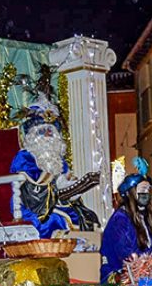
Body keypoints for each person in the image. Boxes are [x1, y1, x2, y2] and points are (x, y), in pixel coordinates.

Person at [9, 97, 99, 237]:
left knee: (87, 217)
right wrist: (54, 182)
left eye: (50, 132)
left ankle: (82, 255)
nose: (47, 136)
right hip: (32, 207)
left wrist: (75, 187)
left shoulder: (57, 158)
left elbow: (66, 180)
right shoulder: (25, 156)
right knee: (55, 220)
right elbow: (32, 189)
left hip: (57, 203)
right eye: (43, 132)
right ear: (33, 134)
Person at [100, 158, 152, 283]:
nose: (146, 194)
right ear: (130, 193)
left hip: (144, 274)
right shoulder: (120, 220)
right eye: (142, 190)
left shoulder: (145, 217)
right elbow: (126, 255)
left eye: (148, 190)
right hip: (119, 276)